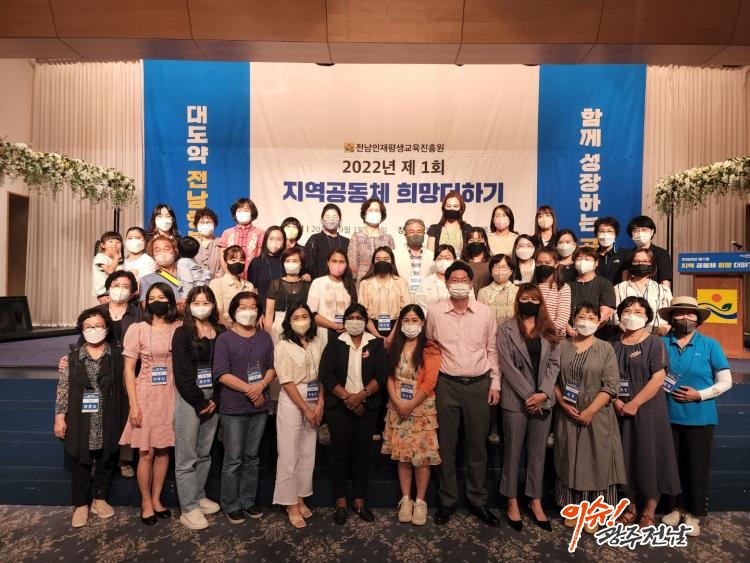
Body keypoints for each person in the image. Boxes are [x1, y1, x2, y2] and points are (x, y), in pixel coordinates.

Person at [426, 261, 501, 527]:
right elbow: (430, 348)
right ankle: (447, 501)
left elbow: (492, 349)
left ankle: (477, 500)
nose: (459, 283)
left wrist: (495, 383)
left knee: (477, 446)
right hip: (446, 384)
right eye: (453, 280)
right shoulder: (435, 313)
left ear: (471, 284)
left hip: (479, 385)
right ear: (446, 283)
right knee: (446, 446)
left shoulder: (485, 313)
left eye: (463, 280)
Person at [659, 297, 732, 536]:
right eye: (679, 313)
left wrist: (699, 395)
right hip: (667, 416)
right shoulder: (661, 343)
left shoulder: (710, 345)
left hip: (700, 417)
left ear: (698, 319)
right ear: (671, 318)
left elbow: (726, 381)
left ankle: (693, 514)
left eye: (690, 314)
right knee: (672, 466)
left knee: (696, 467)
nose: (685, 318)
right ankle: (676, 508)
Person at [554, 302, 626, 534]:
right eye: (582, 317)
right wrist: (563, 403)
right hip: (567, 413)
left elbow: (611, 386)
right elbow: (552, 379)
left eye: (592, 317)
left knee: (596, 462)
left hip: (597, 415)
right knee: (568, 458)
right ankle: (573, 508)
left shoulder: (605, 348)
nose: (586, 321)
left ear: (598, 322)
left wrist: (590, 411)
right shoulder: (561, 346)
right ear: (574, 320)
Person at [54, 307, 128, 528]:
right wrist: (59, 417)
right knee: (81, 462)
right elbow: (63, 389)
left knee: (106, 459)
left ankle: (100, 499)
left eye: (98, 326)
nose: (93, 330)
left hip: (109, 416)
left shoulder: (118, 357)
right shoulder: (73, 358)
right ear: (81, 330)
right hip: (81, 418)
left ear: (106, 328)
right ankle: (80, 505)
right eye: (88, 327)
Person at [611, 296, 680, 528]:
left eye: (638, 311)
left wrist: (635, 403)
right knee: (625, 455)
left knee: (651, 454)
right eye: (627, 310)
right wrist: (616, 400)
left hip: (648, 406)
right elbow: (607, 376)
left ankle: (649, 510)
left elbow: (658, 378)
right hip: (619, 408)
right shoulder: (613, 343)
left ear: (648, 317)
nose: (632, 315)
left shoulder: (655, 343)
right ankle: (629, 507)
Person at [496, 283, 560, 532]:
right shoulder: (506, 329)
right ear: (518, 301)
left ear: (540, 302)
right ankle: (511, 499)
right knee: (512, 451)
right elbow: (507, 366)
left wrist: (543, 393)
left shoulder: (549, 329)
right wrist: (529, 395)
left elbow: (554, 364)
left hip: (543, 400)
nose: (529, 302)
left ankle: (535, 500)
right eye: (525, 298)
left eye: (534, 299)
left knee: (537, 454)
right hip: (516, 400)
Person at [119, 283, 182, 525]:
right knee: (146, 453)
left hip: (172, 394)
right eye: (152, 297)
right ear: (146, 302)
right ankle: (145, 502)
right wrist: (134, 405)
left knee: (164, 450)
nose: (157, 301)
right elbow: (128, 369)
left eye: (162, 297)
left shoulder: (179, 327)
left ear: (170, 300)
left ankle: (156, 499)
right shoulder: (138, 329)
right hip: (146, 394)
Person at [319, 303, 387, 525]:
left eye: (359, 317)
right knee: (339, 454)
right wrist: (349, 398)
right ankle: (340, 502)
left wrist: (362, 396)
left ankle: (359, 500)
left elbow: (382, 375)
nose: (355, 321)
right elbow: (326, 375)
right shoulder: (335, 342)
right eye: (351, 317)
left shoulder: (375, 343)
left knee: (362, 454)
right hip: (340, 406)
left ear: (365, 321)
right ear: (345, 321)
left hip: (367, 406)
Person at [212, 291, 275, 524]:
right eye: (242, 307)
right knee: (234, 458)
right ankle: (230, 503)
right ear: (233, 311)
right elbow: (221, 374)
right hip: (234, 407)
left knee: (252, 456)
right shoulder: (225, 339)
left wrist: (261, 386)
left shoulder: (265, 337)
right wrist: (251, 390)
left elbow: (271, 367)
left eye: (253, 307)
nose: (248, 311)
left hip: (259, 407)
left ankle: (248, 501)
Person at [381, 305, 441, 526]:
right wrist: (398, 403)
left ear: (422, 323)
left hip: (421, 408)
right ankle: (405, 499)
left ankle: (420, 501)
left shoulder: (430, 348)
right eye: (406, 320)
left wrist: (410, 405)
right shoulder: (395, 346)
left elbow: (430, 382)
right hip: (397, 407)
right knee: (403, 456)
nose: (410, 324)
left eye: (414, 320)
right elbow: (389, 377)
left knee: (421, 457)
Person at [172, 286, 223, 530]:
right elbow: (182, 373)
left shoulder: (221, 332)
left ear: (213, 305)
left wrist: (216, 399)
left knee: (204, 453)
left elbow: (225, 367)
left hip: (214, 398)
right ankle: (188, 508)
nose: (201, 307)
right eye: (196, 302)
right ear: (189, 306)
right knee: (187, 457)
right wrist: (200, 401)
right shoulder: (182, 333)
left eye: (206, 302)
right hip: (190, 398)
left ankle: (199, 496)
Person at [272, 304, 325, 528]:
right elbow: (286, 381)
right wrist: (305, 409)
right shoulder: (283, 345)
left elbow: (324, 374)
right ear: (289, 321)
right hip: (293, 399)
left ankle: (301, 497)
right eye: (296, 317)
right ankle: (290, 503)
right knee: (289, 453)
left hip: (315, 397)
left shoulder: (317, 342)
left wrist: (320, 404)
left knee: (307, 452)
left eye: (305, 316)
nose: (301, 320)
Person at [477, 253, 518, 446]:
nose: (500, 271)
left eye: (504, 267)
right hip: (490, 344)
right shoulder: (483, 292)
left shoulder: (518, 291)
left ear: (511, 270)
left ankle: (508, 427)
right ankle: (492, 425)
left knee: (510, 385)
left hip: (512, 344)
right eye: (496, 267)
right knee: (492, 384)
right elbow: (480, 320)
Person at [358, 246, 410, 349]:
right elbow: (362, 312)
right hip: (371, 328)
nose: (382, 262)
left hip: (396, 328)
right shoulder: (365, 283)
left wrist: (391, 336)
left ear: (392, 261)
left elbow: (405, 311)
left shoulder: (401, 282)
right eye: (378, 259)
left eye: (386, 259)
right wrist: (377, 336)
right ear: (373, 262)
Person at [613, 248, 673, 335]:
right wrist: (631, 332)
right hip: (627, 335)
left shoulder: (662, 290)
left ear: (652, 264)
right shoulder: (619, 288)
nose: (640, 264)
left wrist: (662, 331)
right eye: (636, 261)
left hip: (657, 336)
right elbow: (614, 315)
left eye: (645, 261)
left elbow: (670, 315)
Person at [307, 248, 357, 345]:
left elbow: (355, 310)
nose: (338, 264)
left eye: (341, 261)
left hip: (347, 332)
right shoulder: (318, 282)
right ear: (328, 263)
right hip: (324, 332)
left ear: (346, 265)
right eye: (334, 261)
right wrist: (334, 326)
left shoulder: (350, 285)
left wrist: (347, 325)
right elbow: (311, 313)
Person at [263, 247, 311, 344]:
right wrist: (267, 336)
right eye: (287, 261)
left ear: (301, 264)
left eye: (295, 261)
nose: (291, 263)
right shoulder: (275, 284)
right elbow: (269, 313)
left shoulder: (307, 285)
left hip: (302, 326)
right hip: (279, 327)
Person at [567, 246, 615, 337]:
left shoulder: (605, 284)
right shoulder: (567, 284)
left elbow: (606, 312)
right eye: (579, 259)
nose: (582, 262)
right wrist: (569, 329)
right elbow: (561, 310)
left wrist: (589, 330)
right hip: (570, 334)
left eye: (587, 259)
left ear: (596, 263)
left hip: (597, 334)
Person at [416, 244, 476, 314]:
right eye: (439, 258)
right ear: (434, 261)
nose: (443, 261)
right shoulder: (426, 283)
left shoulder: (464, 281)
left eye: (447, 258)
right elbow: (421, 307)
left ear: (454, 260)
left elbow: (472, 303)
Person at [347, 197, 395, 282]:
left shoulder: (388, 238)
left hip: (386, 281)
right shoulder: (356, 237)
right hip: (363, 281)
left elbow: (393, 263)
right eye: (370, 210)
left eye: (377, 211)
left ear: (382, 215)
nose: (374, 213)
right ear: (364, 214)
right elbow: (352, 265)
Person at [218, 198, 265, 278]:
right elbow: (222, 256)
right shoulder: (227, 233)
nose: (242, 213)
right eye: (239, 210)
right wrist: (228, 274)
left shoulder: (260, 233)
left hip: (253, 276)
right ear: (235, 214)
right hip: (231, 277)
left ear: (252, 212)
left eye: (246, 210)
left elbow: (262, 257)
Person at [209, 245, 255, 326]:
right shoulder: (216, 284)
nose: (238, 262)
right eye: (233, 260)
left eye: (241, 260)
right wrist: (232, 331)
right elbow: (218, 314)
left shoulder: (249, 285)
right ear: (226, 262)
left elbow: (253, 312)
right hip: (225, 329)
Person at [624, 215, 672, 287]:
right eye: (636, 230)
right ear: (631, 234)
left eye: (644, 229)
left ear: (652, 232)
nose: (640, 233)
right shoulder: (628, 254)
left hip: (654, 293)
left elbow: (665, 281)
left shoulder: (661, 254)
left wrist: (665, 293)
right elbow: (625, 280)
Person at [304, 204, 350, 279]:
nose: (331, 220)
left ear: (340, 220)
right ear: (322, 219)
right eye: (327, 216)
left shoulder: (347, 242)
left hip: (343, 283)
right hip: (320, 282)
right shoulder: (315, 239)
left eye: (334, 216)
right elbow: (309, 266)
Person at [393, 218, 435, 302]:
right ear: (405, 234)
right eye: (411, 232)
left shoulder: (432, 256)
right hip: (402, 299)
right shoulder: (394, 254)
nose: (415, 235)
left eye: (419, 232)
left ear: (424, 234)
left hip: (427, 299)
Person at [248, 227, 286, 315]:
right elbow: (253, 290)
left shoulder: (287, 261)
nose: (275, 242)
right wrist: (259, 312)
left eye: (279, 239)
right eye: (271, 239)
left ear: (284, 242)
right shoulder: (256, 262)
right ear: (265, 240)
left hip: (284, 311)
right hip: (263, 311)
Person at [535, 248, 572, 337]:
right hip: (534, 336)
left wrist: (546, 333)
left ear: (556, 264)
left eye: (547, 263)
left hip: (555, 337)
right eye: (539, 262)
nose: (543, 265)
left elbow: (563, 318)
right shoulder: (533, 287)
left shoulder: (563, 288)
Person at [139, 236, 183, 309]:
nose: (163, 252)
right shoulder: (147, 279)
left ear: (174, 251)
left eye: (167, 249)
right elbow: (146, 307)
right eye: (157, 250)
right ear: (152, 254)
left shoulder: (187, 274)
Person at [426, 191, 472, 256]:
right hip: (440, 262)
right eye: (448, 206)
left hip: (461, 262)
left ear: (461, 208)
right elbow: (430, 255)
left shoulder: (467, 228)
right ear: (444, 208)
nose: (451, 209)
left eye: (455, 206)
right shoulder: (434, 229)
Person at [594, 217, 630, 284]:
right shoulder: (592, 255)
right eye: (601, 231)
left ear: (615, 234)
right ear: (596, 235)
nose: (605, 234)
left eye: (609, 231)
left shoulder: (625, 254)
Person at [92, 231, 123, 303]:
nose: (114, 244)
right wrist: (116, 257)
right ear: (103, 245)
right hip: (105, 293)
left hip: (115, 291)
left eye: (118, 242)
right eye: (110, 241)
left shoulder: (118, 260)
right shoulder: (100, 257)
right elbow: (110, 272)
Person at [460, 227, 492, 296]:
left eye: (479, 240)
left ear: (485, 241)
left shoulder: (492, 262)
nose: (475, 242)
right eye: (471, 240)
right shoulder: (461, 263)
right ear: (467, 242)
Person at [193, 207, 223, 280]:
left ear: (214, 224)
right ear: (196, 225)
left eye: (208, 222)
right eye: (202, 222)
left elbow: (224, 266)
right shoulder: (192, 243)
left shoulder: (221, 243)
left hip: (216, 284)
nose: (205, 225)